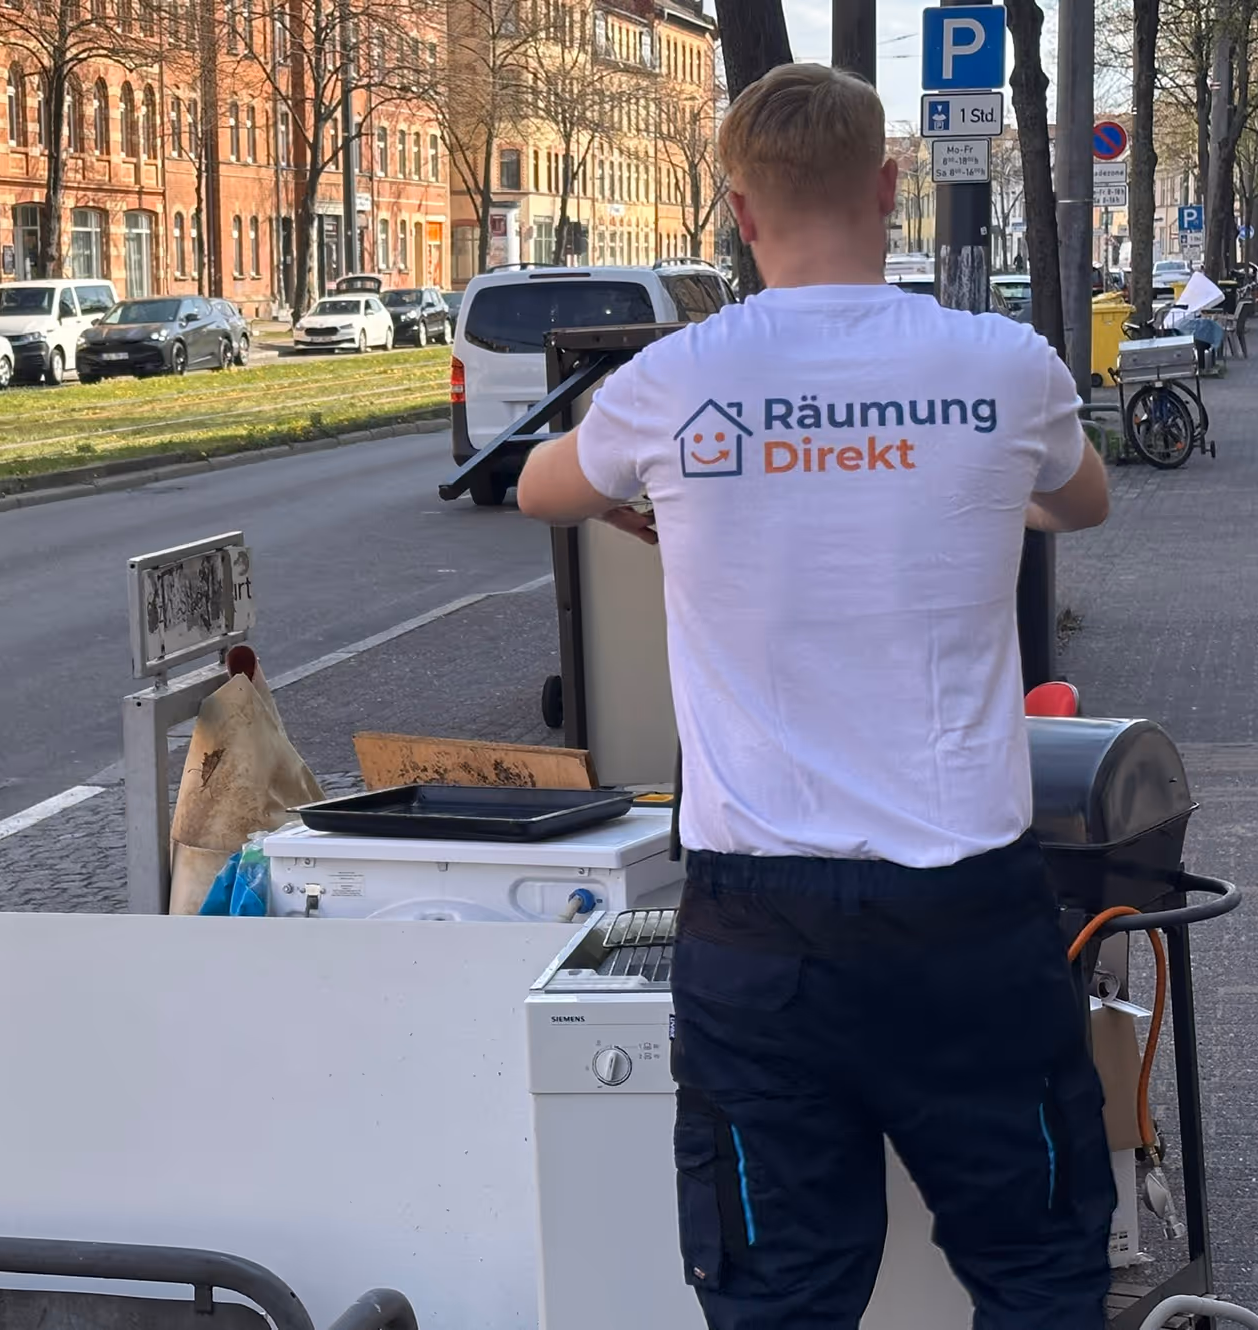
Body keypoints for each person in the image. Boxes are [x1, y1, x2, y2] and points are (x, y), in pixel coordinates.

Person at [514, 62, 1116, 1330]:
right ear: (888, 189)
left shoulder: (679, 380)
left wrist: (679, 501)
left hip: (764, 938)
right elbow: (1083, 496)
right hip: (970, 920)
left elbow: (541, 490)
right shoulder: (1002, 365)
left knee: (779, 1299)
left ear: (740, 210)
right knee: (1039, 1272)